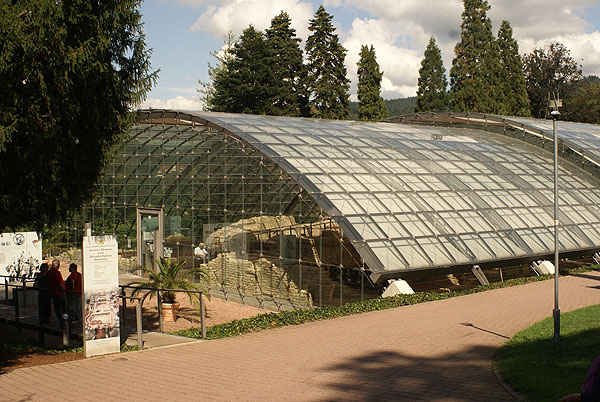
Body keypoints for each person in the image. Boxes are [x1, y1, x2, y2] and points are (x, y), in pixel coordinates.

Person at [46, 259, 67, 327]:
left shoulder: (48, 273)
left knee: (57, 309)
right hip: (59, 293)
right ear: (58, 265)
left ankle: (61, 321)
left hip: (53, 293)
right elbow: (60, 282)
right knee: (64, 308)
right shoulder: (56, 272)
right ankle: (64, 322)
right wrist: (63, 289)